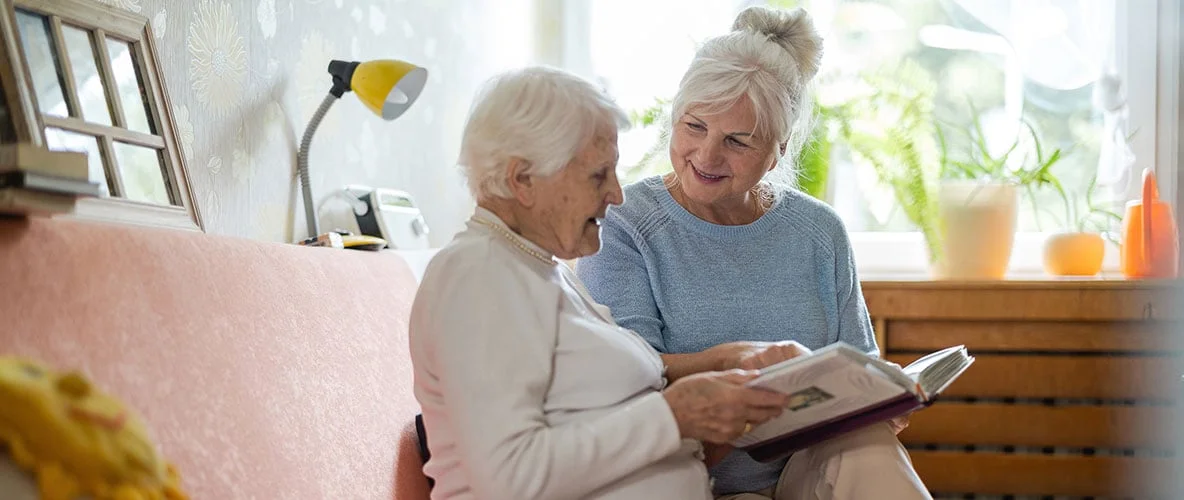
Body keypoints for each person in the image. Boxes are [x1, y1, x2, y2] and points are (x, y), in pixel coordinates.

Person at [576, 6, 932, 500]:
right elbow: (624, 378)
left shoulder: (818, 232)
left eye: (737, 141)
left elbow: (859, 367)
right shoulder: (626, 223)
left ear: (779, 149)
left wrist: (883, 402)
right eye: (694, 126)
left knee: (867, 441)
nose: (706, 155)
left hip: (804, 473)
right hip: (687, 477)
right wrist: (730, 361)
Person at [408, 65, 805, 499]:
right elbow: (510, 478)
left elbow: (608, 440)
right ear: (523, 180)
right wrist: (674, 415)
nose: (617, 195)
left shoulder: (539, 270)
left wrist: (718, 417)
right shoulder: (477, 273)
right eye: (599, 174)